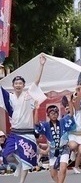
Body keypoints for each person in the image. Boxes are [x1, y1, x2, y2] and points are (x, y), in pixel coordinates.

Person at [0, 54, 47, 183]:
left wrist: (41, 65)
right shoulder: (8, 97)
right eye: (16, 83)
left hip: (27, 133)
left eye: (20, 83)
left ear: (24, 85)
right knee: (6, 155)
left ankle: (22, 181)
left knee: (26, 161)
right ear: (13, 85)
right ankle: (18, 164)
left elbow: (36, 82)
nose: (18, 85)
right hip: (14, 133)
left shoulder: (29, 95)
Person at [35, 98, 76, 183]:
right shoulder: (45, 125)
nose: (54, 115)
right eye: (52, 113)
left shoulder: (63, 121)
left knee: (63, 168)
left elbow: (71, 114)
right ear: (48, 115)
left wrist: (70, 102)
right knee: (53, 174)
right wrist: (36, 109)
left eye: (56, 113)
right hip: (53, 151)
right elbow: (36, 124)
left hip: (64, 148)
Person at [68, 87, 81, 174]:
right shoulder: (73, 110)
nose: (76, 99)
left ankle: (76, 167)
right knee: (73, 146)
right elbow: (75, 102)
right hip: (73, 134)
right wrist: (77, 94)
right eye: (75, 97)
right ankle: (73, 151)